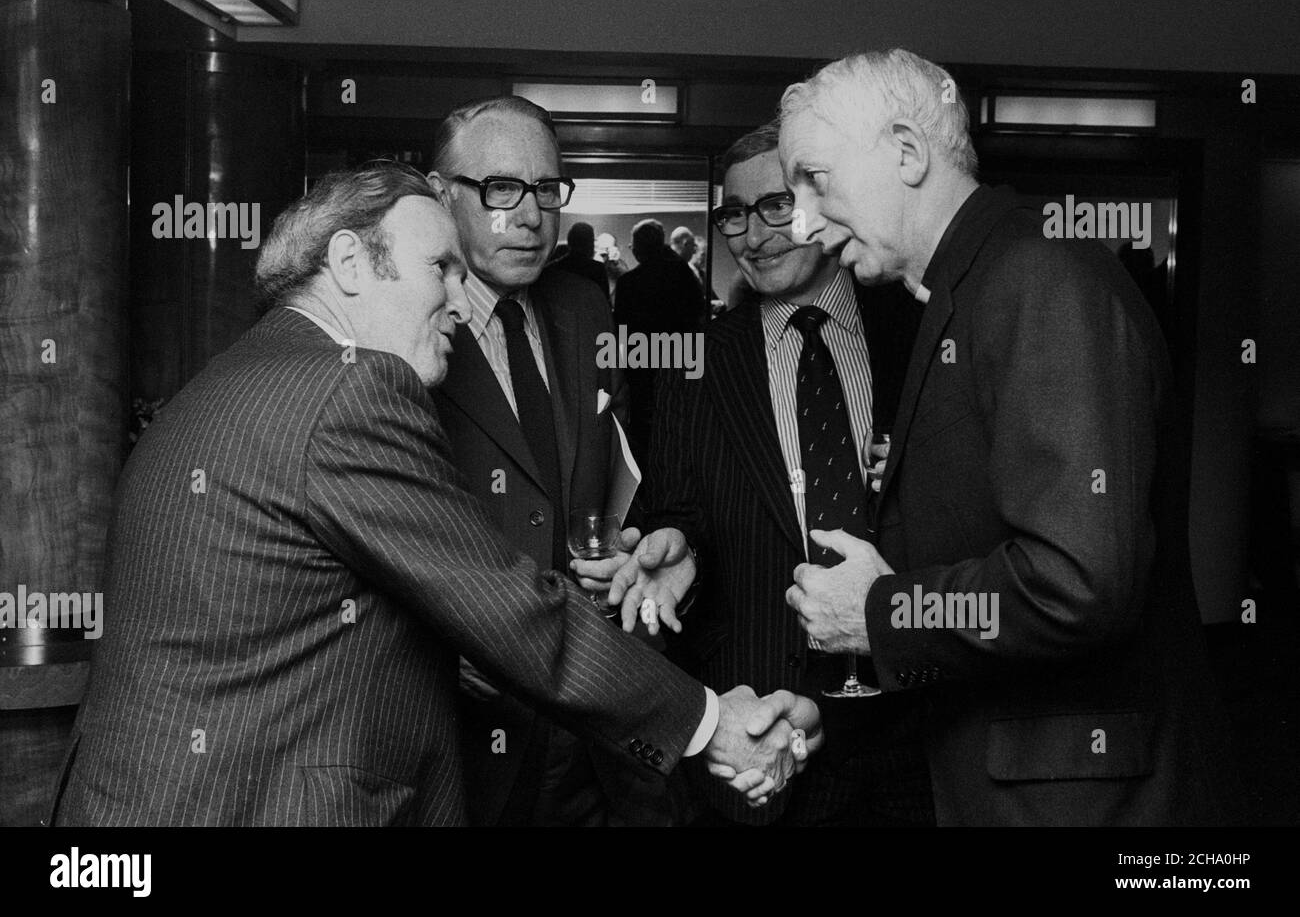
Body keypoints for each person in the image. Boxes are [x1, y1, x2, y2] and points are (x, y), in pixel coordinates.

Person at [50, 163, 819, 826]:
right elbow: (508, 606)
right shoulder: (350, 386)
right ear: (350, 262)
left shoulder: (235, 378)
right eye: (440, 270)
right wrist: (710, 722)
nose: (459, 300)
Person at [779, 49, 1238, 826]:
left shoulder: (1040, 277)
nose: (799, 223)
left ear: (907, 152)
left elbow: (1079, 582)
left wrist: (885, 613)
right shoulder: (973, 283)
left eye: (814, 180)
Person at [598, 123, 929, 826]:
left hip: (914, 725)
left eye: (777, 204)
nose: (754, 234)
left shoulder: (916, 337)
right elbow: (678, 506)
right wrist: (675, 546)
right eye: (735, 214)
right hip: (755, 729)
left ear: (824, 202)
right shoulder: (699, 360)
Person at [426, 98, 675, 825]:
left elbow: (620, 466)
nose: (530, 215)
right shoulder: (407, 325)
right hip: (468, 723)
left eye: (546, 189)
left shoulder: (585, 308)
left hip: (593, 721)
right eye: (501, 189)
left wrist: (636, 544)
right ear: (443, 195)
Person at [612, 219, 708, 461]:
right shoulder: (682, 273)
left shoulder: (628, 283)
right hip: (680, 363)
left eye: (633, 244)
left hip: (642, 369)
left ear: (640, 247)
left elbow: (621, 331)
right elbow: (697, 316)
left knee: (645, 439)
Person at [551, 220, 610, 299]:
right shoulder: (598, 269)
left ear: (569, 241)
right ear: (590, 244)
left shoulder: (554, 269)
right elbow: (604, 301)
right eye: (592, 241)